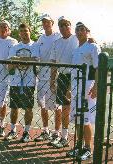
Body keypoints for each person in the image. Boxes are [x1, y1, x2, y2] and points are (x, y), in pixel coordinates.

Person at [66, 22, 100, 161]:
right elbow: (73, 71)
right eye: (77, 30)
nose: (79, 32)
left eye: (82, 29)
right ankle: (78, 146)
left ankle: (87, 148)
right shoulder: (75, 49)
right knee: (77, 118)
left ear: (87, 31)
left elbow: (98, 68)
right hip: (75, 87)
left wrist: (96, 86)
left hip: (87, 87)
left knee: (86, 119)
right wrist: (69, 88)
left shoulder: (93, 46)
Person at [5, 23, 39, 143]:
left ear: (30, 31)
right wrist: (23, 61)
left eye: (26, 31)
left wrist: (17, 60)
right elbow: (9, 66)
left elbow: (35, 60)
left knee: (28, 109)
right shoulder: (14, 46)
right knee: (14, 108)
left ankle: (26, 132)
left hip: (29, 83)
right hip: (15, 82)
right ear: (19, 33)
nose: (24, 33)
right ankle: (13, 131)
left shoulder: (35, 45)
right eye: (22, 31)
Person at [49, 16, 79, 148]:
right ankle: (63, 136)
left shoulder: (77, 39)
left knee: (71, 110)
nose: (63, 27)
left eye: (66, 24)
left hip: (74, 77)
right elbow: (54, 63)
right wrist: (52, 80)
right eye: (61, 25)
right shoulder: (56, 43)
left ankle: (70, 139)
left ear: (70, 26)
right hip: (61, 77)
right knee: (60, 108)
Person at [33, 14, 61, 143]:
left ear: (52, 23)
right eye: (43, 22)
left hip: (55, 77)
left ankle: (56, 133)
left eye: (47, 22)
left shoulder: (58, 36)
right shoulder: (40, 38)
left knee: (57, 107)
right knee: (43, 106)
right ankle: (45, 131)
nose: (45, 24)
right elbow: (35, 54)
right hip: (42, 77)